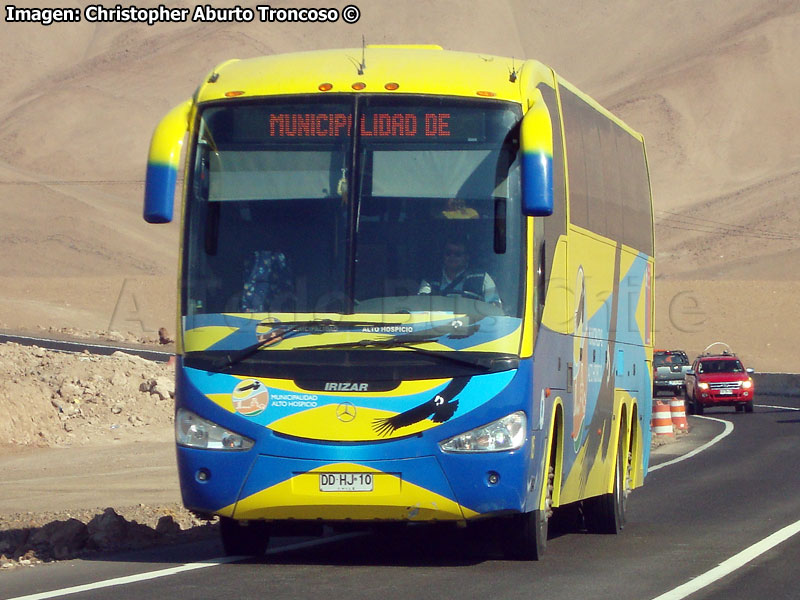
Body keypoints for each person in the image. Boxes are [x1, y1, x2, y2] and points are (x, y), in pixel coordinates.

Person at [418, 238, 501, 306]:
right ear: (443, 256)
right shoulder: (430, 279)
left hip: (474, 323)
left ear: (466, 257)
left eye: (457, 254)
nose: (452, 256)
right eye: (448, 253)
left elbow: (495, 306)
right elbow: (421, 304)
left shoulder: (482, 277)